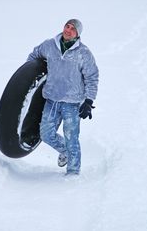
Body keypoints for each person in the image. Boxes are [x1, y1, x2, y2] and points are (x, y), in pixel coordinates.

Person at [27, 19, 99, 176]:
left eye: (73, 29)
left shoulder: (84, 53)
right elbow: (34, 55)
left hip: (72, 104)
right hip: (52, 99)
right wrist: (27, 76)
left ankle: (73, 173)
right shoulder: (49, 45)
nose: (68, 30)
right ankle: (66, 151)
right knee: (45, 134)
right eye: (67, 26)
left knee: (71, 138)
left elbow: (92, 77)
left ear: (77, 34)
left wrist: (88, 100)